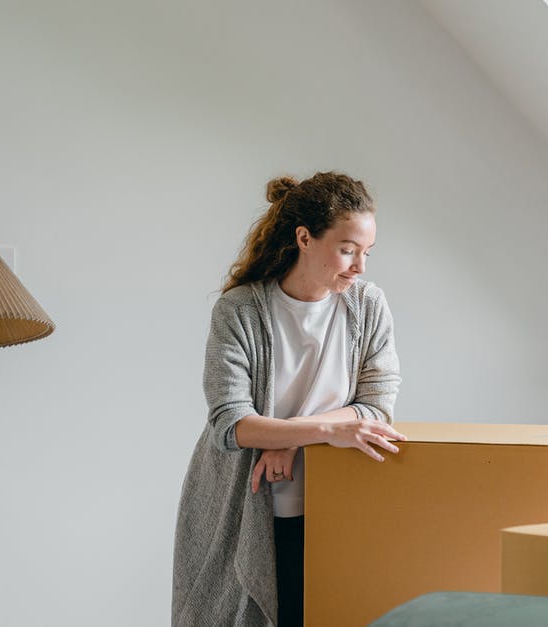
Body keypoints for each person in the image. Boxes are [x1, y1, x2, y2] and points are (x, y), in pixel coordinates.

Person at [172, 171, 404, 627]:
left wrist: (290, 440)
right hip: (241, 508)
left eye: (366, 253)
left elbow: (376, 405)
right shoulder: (239, 310)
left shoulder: (368, 305)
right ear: (304, 238)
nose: (360, 267)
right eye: (347, 250)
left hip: (331, 505)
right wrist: (325, 429)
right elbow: (231, 424)